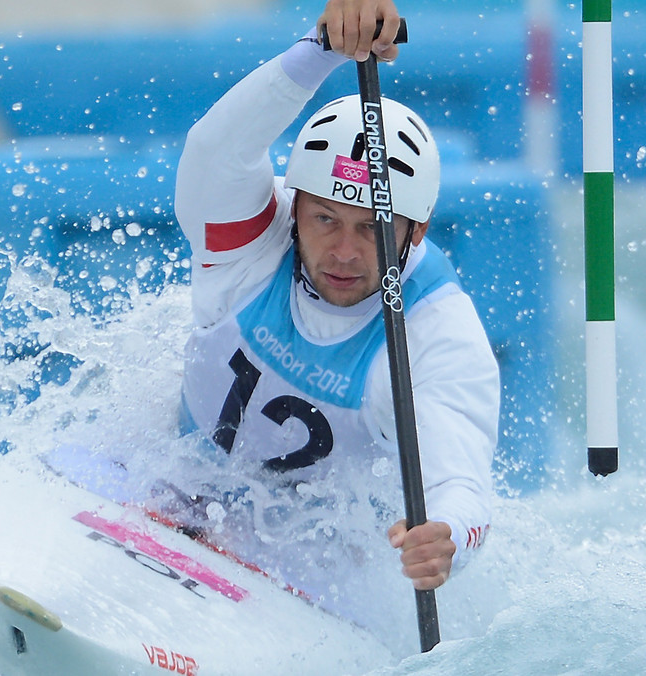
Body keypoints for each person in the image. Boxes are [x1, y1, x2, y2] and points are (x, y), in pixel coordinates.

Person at [168, 0, 499, 651]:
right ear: (295, 208)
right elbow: (216, 147)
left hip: (310, 576)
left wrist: (449, 536)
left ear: (416, 233)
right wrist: (320, 48)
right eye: (325, 220)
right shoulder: (245, 244)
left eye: (372, 230)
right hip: (171, 495)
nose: (345, 253)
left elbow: (461, 482)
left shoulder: (435, 332)